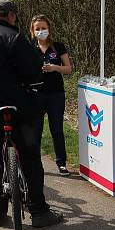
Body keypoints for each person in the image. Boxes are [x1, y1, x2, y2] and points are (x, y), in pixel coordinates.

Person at [0, 0, 63, 228]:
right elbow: (34, 71)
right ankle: (38, 211)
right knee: (30, 158)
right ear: (9, 16)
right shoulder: (14, 38)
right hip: (16, 108)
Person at [29, 14, 73, 175]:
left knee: (57, 130)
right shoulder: (29, 47)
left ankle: (61, 163)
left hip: (56, 94)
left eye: (44, 28)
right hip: (36, 95)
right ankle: (34, 162)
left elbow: (68, 69)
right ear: (33, 31)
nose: (41, 31)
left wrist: (55, 68)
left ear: (49, 29)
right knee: (36, 130)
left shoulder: (58, 46)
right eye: (38, 29)